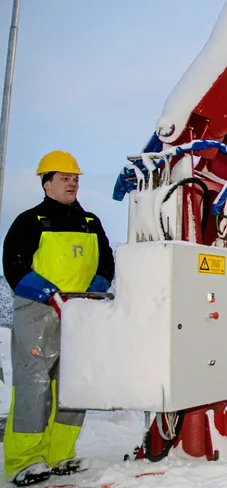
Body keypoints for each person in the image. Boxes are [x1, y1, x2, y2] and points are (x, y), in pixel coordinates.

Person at [2, 150, 114, 486]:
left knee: (73, 385)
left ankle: (59, 454)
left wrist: (94, 288)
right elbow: (15, 267)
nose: (73, 184)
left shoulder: (91, 222)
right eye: (65, 178)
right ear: (47, 183)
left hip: (79, 314)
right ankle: (24, 460)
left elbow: (106, 263)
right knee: (34, 386)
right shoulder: (29, 221)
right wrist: (51, 294)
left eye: (76, 179)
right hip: (38, 314)